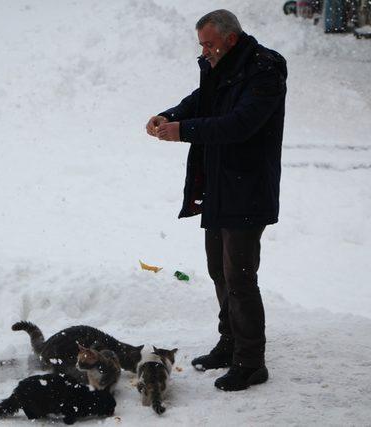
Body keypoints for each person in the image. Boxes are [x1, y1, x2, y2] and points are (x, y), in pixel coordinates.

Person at [145, 10, 287, 391]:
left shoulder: (265, 70)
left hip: (248, 187)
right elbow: (202, 100)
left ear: (232, 39)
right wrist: (169, 115)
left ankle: (251, 362)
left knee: (240, 278)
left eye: (209, 43)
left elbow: (241, 124)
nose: (204, 51)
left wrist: (184, 130)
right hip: (220, 185)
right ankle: (229, 344)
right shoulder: (220, 64)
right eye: (202, 44)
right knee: (218, 271)